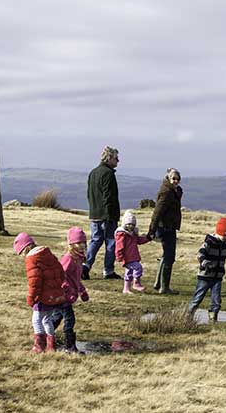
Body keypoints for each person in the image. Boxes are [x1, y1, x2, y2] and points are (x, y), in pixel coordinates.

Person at [13, 232, 66, 353]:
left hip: (42, 296)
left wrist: (31, 298)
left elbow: (34, 283)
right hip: (54, 295)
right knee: (47, 319)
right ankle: (51, 345)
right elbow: (60, 271)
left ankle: (39, 345)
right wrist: (56, 287)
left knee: (36, 320)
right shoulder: (47, 254)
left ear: (24, 249)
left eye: (20, 253)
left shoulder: (32, 260)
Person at [187, 217, 226, 323]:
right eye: (224, 235)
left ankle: (213, 316)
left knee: (217, 300)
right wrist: (205, 263)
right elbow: (200, 254)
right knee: (198, 297)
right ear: (219, 232)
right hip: (205, 276)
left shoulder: (225, 244)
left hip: (217, 277)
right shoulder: (209, 242)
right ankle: (189, 315)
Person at [83, 146, 121, 280]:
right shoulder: (108, 174)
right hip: (107, 215)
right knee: (111, 242)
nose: (118, 161)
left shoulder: (93, 172)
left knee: (95, 240)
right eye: (116, 158)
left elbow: (89, 194)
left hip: (94, 214)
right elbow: (109, 197)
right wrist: (110, 215)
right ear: (109, 158)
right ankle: (108, 270)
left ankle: (85, 265)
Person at [53, 226, 90, 353]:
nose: (82, 245)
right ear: (71, 244)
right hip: (63, 295)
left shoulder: (78, 258)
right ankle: (69, 346)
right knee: (70, 319)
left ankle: (44, 338)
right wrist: (68, 292)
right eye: (78, 243)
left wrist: (82, 290)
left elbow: (75, 278)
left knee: (56, 318)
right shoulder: (69, 258)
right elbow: (60, 277)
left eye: (83, 242)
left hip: (68, 295)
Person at [148, 168, 183, 295]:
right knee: (169, 256)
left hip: (168, 226)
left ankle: (158, 283)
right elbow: (158, 211)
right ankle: (164, 287)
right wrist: (152, 229)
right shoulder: (166, 192)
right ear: (168, 178)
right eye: (174, 179)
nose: (176, 182)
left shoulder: (172, 191)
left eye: (178, 179)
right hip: (165, 227)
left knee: (166, 255)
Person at [115, 210, 152, 294]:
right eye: (128, 224)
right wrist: (119, 256)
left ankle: (126, 289)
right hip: (127, 257)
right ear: (124, 224)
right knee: (138, 267)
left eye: (132, 224)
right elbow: (119, 246)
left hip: (133, 256)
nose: (130, 226)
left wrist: (148, 238)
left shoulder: (133, 234)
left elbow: (139, 240)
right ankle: (136, 283)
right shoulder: (122, 235)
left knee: (129, 273)